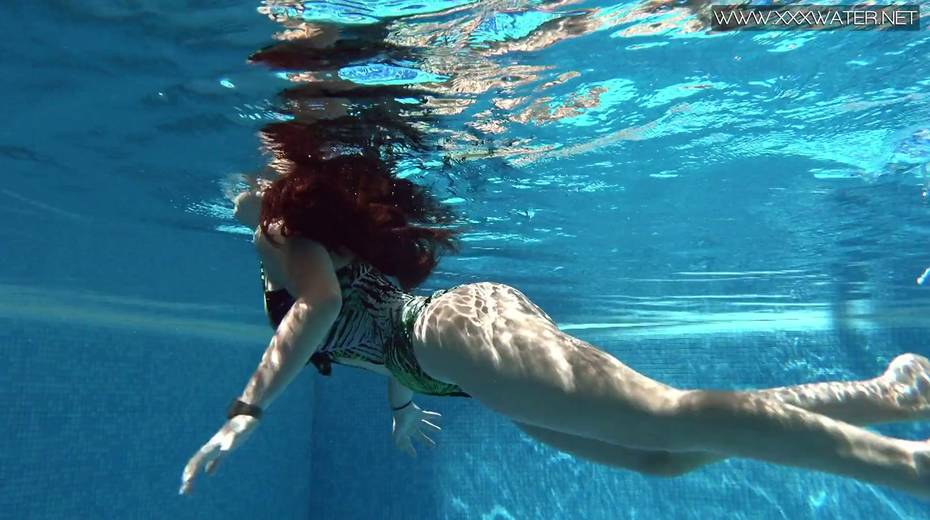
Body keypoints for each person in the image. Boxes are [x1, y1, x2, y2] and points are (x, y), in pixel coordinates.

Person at [179, 149, 930, 499]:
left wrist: (246, 410)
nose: (235, 200)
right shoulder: (287, 242)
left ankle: (909, 467)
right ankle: (884, 397)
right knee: (659, 456)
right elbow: (364, 327)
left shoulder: (276, 234)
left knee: (665, 419)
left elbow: (324, 309)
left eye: (245, 188)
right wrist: (402, 404)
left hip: (452, 334)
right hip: (449, 354)